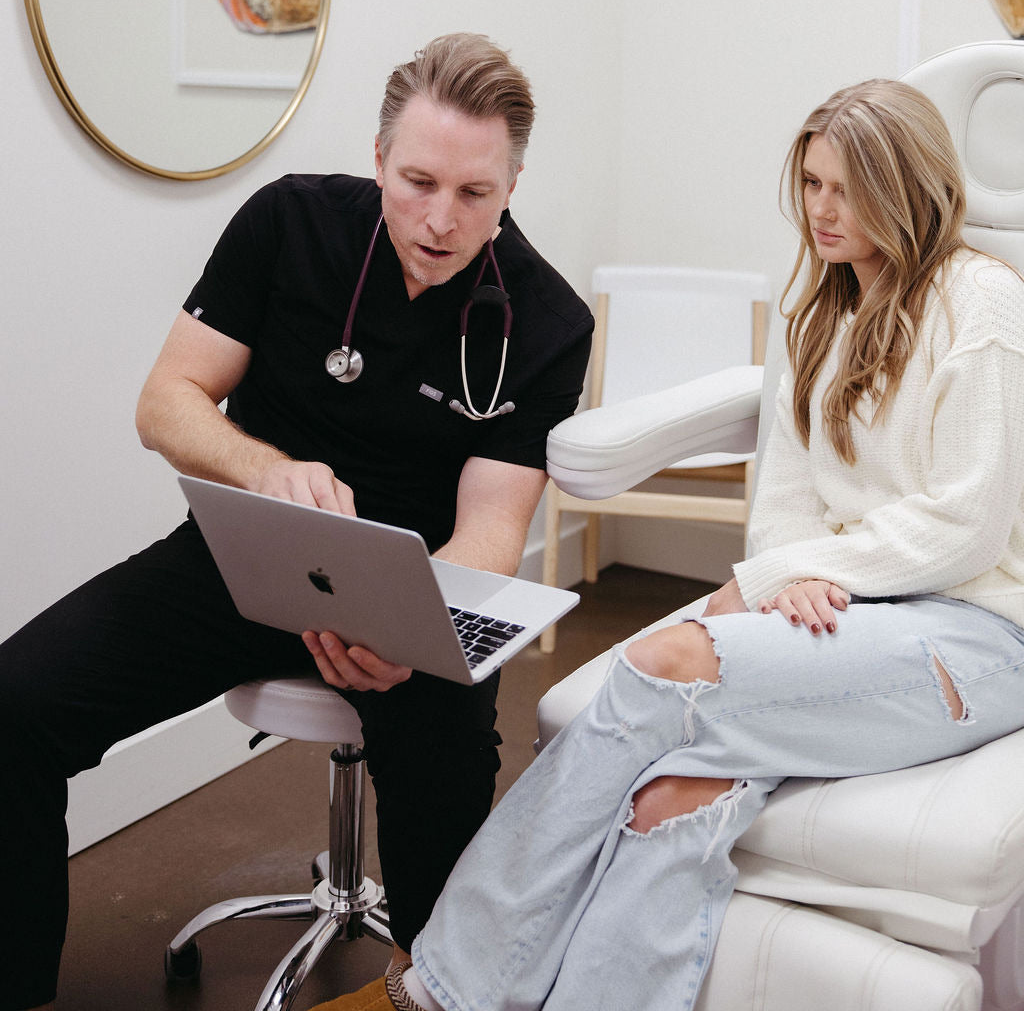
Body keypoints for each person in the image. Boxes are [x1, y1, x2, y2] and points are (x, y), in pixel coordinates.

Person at [311, 77, 1024, 1011]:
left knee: (664, 664)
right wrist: (793, 568)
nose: (822, 209)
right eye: (811, 183)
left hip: (973, 634)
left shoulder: (983, 305)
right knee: (669, 801)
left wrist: (794, 573)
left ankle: (441, 990)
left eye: (848, 189)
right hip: (852, 611)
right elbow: (788, 504)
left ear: (910, 186)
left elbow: (965, 521)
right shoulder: (822, 311)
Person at [0, 32, 594, 1011]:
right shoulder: (289, 224)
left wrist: (411, 628)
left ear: (513, 183)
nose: (440, 219)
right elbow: (168, 402)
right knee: (16, 707)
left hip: (416, 591)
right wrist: (266, 471)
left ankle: (431, 982)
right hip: (245, 559)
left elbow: (491, 529)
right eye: (417, 181)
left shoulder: (542, 321)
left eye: (475, 194)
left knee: (448, 779)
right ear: (377, 158)